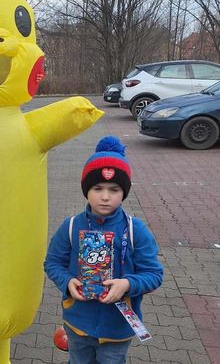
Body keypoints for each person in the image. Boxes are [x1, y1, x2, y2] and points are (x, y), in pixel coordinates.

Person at [44, 135, 163, 364]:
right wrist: (67, 282)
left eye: (114, 189)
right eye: (97, 188)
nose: (105, 197)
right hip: (77, 323)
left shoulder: (135, 230)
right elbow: (52, 263)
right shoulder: (70, 227)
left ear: (124, 192)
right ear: (86, 190)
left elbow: (154, 274)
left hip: (117, 329)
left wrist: (127, 284)